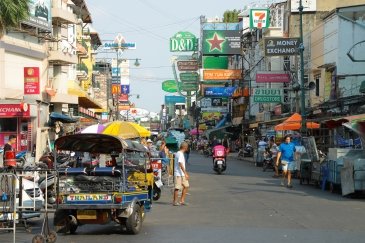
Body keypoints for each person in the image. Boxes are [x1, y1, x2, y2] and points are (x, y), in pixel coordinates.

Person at [173, 142, 190, 206]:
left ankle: (182, 200)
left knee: (186, 186)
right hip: (178, 174)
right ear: (185, 147)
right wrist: (185, 173)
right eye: (187, 147)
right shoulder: (179, 154)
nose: (187, 149)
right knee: (177, 188)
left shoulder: (180, 153)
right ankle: (175, 201)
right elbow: (180, 164)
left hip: (181, 173)